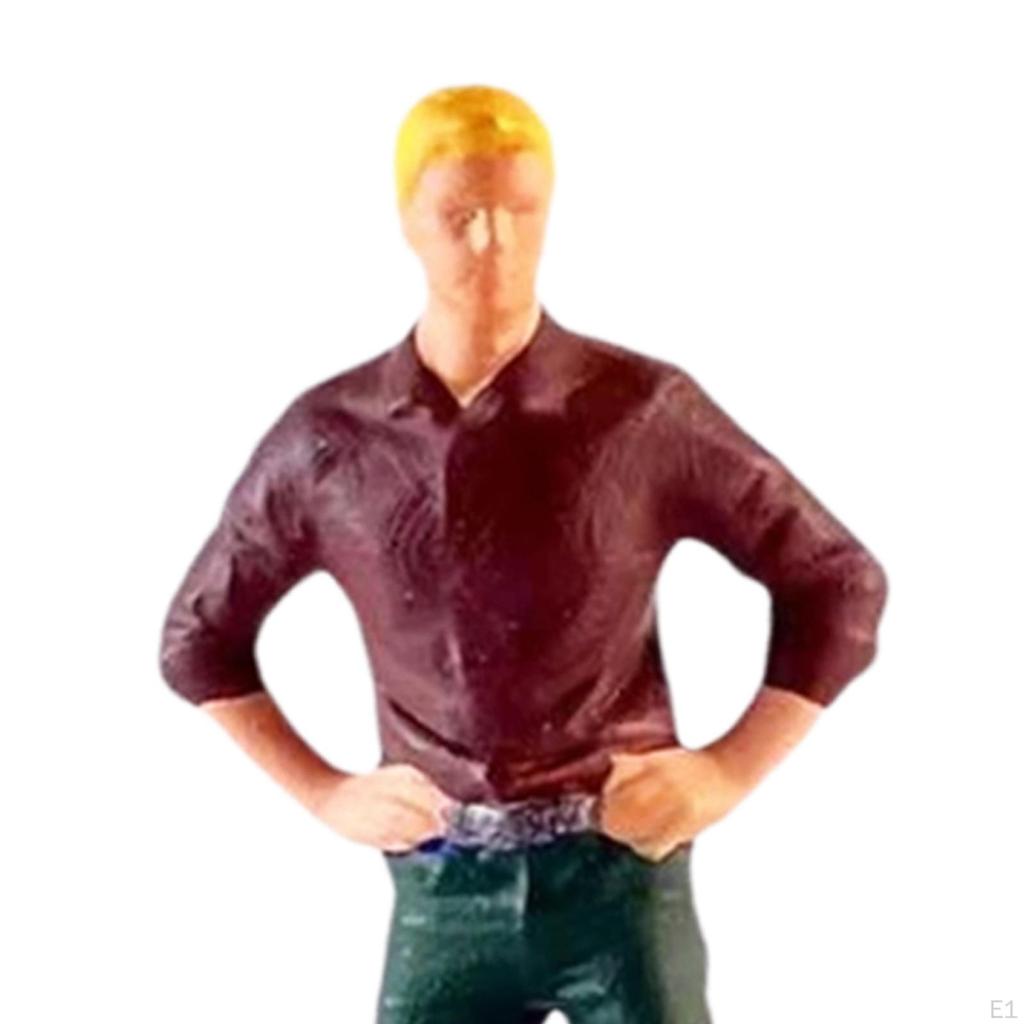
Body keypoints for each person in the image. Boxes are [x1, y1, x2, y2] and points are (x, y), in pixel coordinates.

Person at [159, 84, 889, 1024]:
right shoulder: (331, 440)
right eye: (460, 215)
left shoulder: (640, 414)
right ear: (406, 222)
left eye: (521, 210)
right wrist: (326, 794)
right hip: (442, 888)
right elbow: (198, 641)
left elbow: (837, 582)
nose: (494, 243)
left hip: (621, 873)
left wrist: (727, 770)